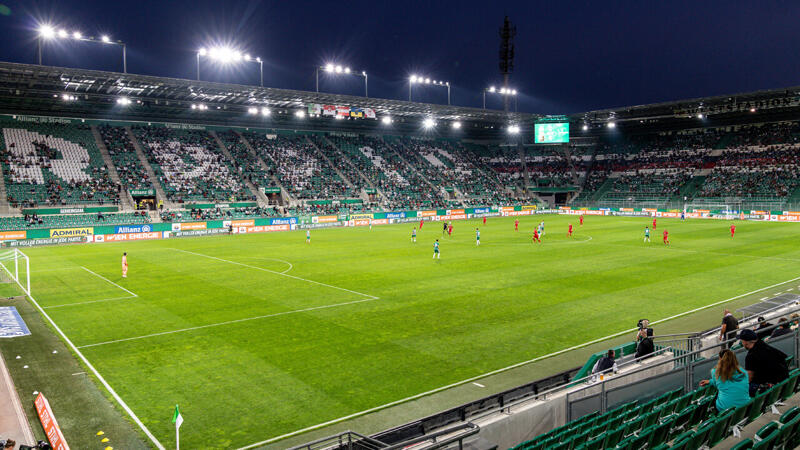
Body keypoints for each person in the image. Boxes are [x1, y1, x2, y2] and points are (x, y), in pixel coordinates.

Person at [740, 328, 789, 396]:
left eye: (741, 341)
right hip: (783, 381)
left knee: (741, 389)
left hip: (771, 386)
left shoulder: (751, 356)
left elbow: (749, 378)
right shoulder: (765, 346)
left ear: (745, 342)